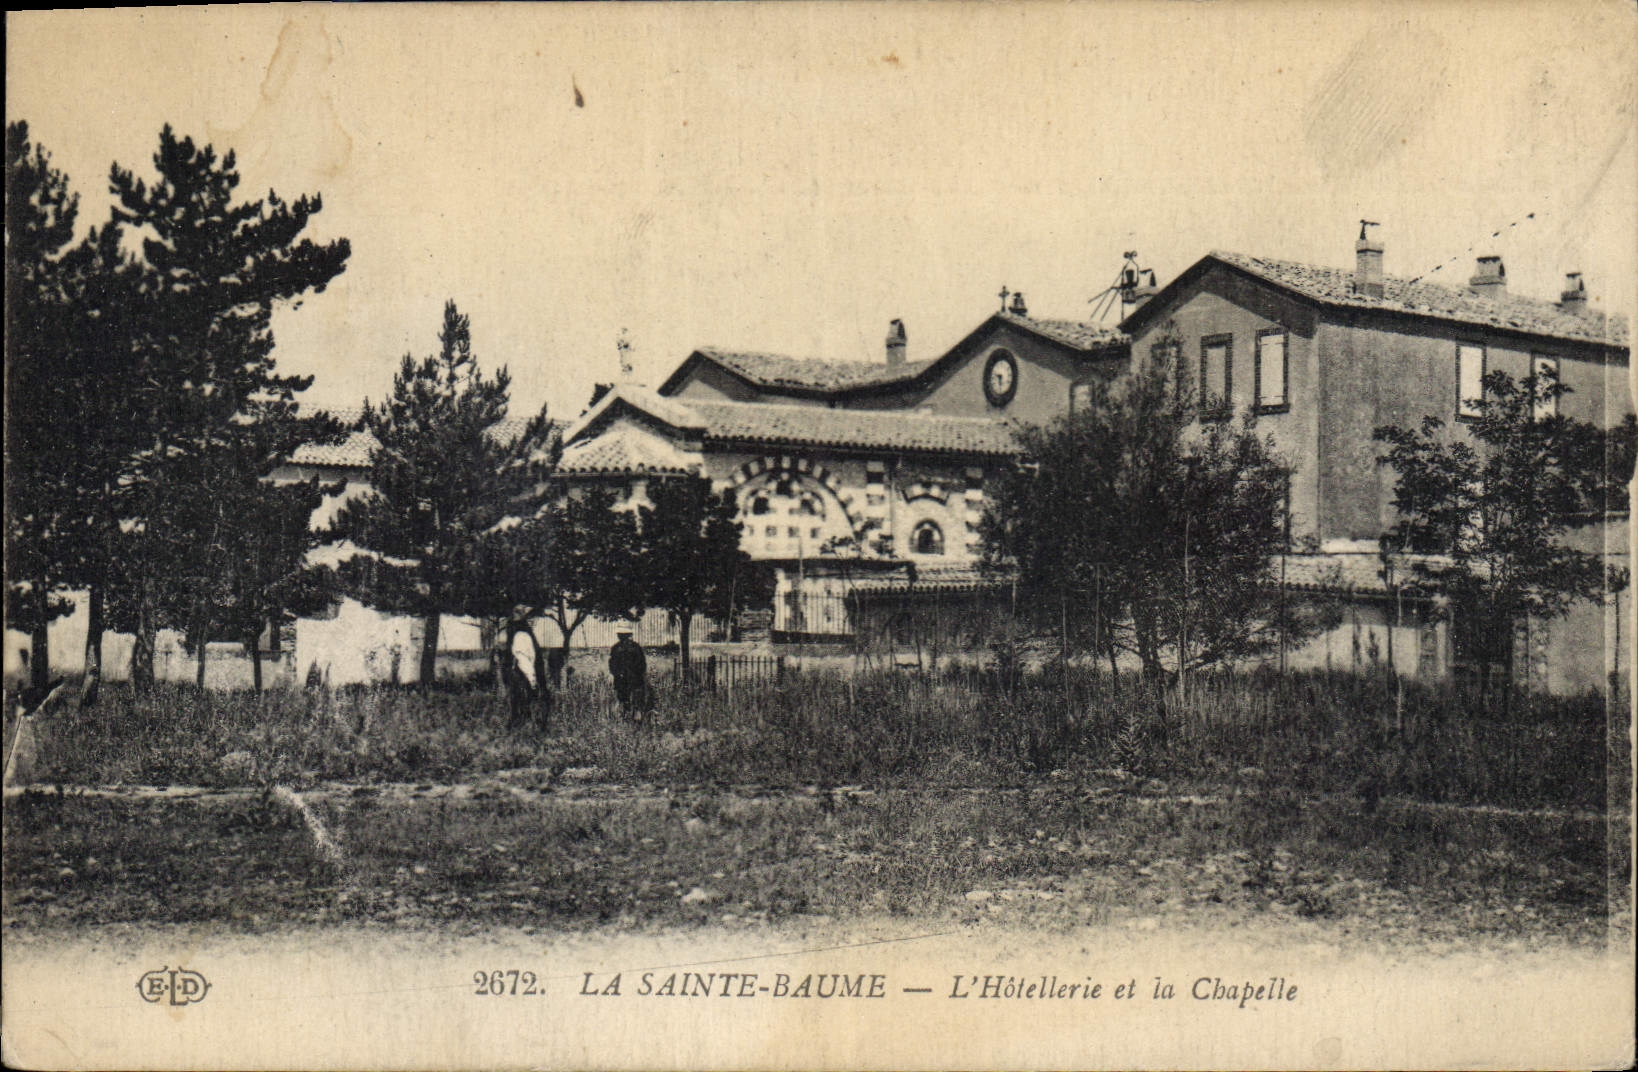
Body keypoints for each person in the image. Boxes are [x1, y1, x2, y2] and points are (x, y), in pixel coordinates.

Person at [609, 630, 648, 718]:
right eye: (620, 634)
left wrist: (636, 673)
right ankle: (627, 716)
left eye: (622, 634)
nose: (620, 636)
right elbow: (612, 664)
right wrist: (616, 673)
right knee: (624, 698)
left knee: (633, 698)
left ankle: (634, 717)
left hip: (632, 678)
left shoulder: (634, 647)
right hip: (624, 678)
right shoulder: (616, 648)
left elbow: (641, 663)